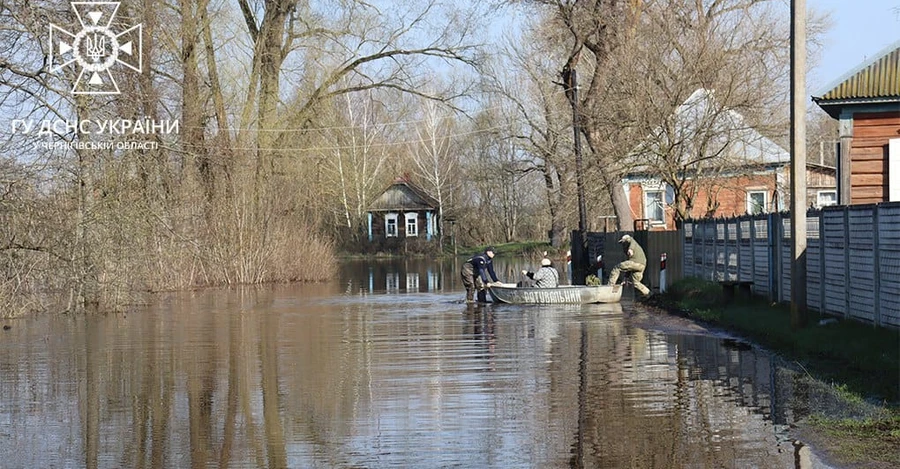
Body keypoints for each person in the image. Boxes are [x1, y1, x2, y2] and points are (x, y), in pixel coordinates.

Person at [608, 234, 651, 298]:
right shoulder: (631, 247)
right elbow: (629, 267)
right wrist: (626, 277)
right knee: (636, 283)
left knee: (617, 267)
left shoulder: (631, 241)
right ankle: (649, 294)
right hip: (642, 265)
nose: (622, 245)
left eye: (623, 242)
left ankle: (609, 287)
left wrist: (630, 249)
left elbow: (631, 241)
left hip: (636, 262)